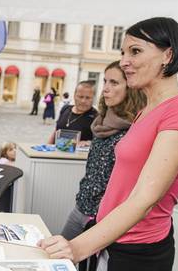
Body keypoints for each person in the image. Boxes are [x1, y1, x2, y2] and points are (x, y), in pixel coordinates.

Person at [40, 17, 178, 271]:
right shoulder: (148, 110)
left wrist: (76, 248)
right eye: (123, 52)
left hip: (138, 251)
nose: (124, 61)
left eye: (135, 51)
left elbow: (145, 198)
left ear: (168, 55)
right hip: (113, 240)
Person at [61, 61, 146, 243]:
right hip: (82, 205)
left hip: (105, 218)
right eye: (105, 82)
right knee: (58, 256)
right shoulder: (100, 122)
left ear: (130, 87)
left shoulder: (135, 129)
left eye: (114, 83)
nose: (105, 88)